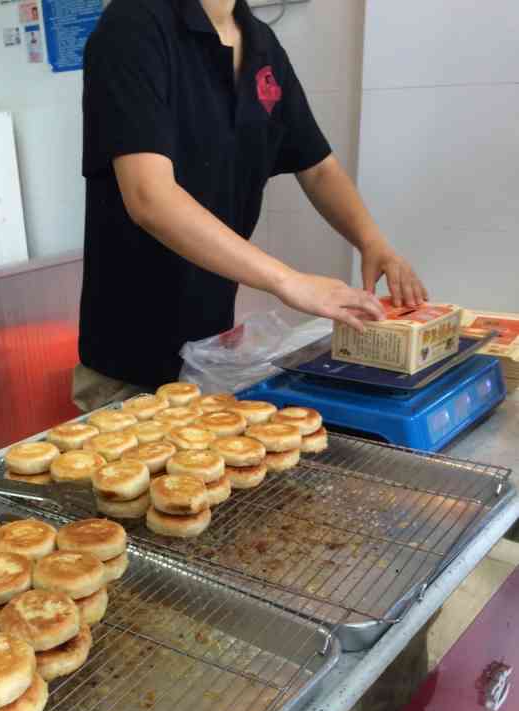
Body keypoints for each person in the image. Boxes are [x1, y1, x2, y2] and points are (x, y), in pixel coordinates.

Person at [74, 0, 427, 411]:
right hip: (127, 367)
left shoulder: (261, 44)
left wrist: (373, 243)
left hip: (209, 351)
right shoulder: (134, 25)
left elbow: (317, 167)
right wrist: (287, 280)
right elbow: (151, 198)